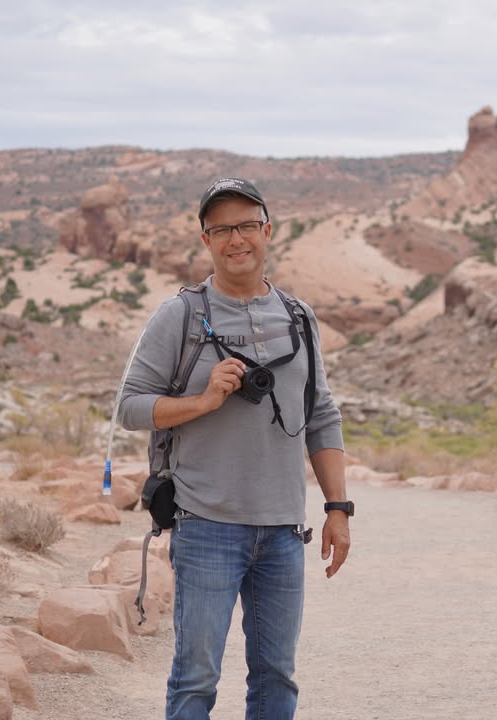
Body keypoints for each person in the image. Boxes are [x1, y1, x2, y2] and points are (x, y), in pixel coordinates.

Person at [119, 178, 351, 720]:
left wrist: (338, 508)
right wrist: (201, 402)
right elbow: (130, 406)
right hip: (206, 526)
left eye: (247, 225)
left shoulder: (299, 317)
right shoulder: (179, 316)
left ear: (267, 231)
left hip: (283, 530)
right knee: (196, 679)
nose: (236, 239)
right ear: (206, 240)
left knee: (276, 679)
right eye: (221, 229)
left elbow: (322, 415)